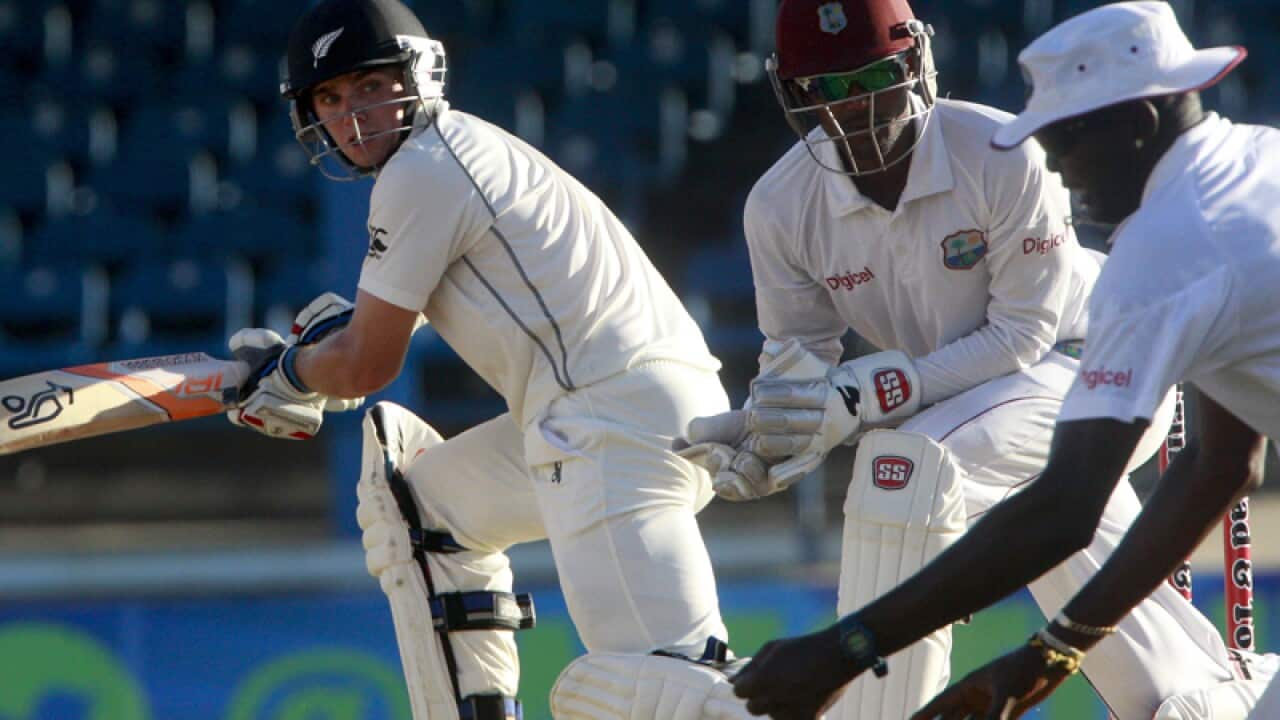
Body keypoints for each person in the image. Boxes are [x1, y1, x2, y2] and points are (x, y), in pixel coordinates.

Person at [679, 0, 1264, 718]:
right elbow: (800, 365)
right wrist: (774, 427)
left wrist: (845, 646)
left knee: (911, 466)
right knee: (1163, 689)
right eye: (826, 89)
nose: (1055, 166)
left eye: (872, 80)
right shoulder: (780, 204)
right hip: (983, 405)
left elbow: (1022, 344)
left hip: (1078, 361)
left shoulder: (1025, 166)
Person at [223, 1, 758, 718]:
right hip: (614, 412)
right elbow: (383, 329)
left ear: (419, 76)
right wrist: (326, 354)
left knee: (669, 690)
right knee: (421, 507)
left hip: (607, 424)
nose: (352, 116)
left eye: (371, 86)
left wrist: (287, 375)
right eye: (330, 98)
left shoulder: (422, 170)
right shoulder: (455, 152)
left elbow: (366, 366)